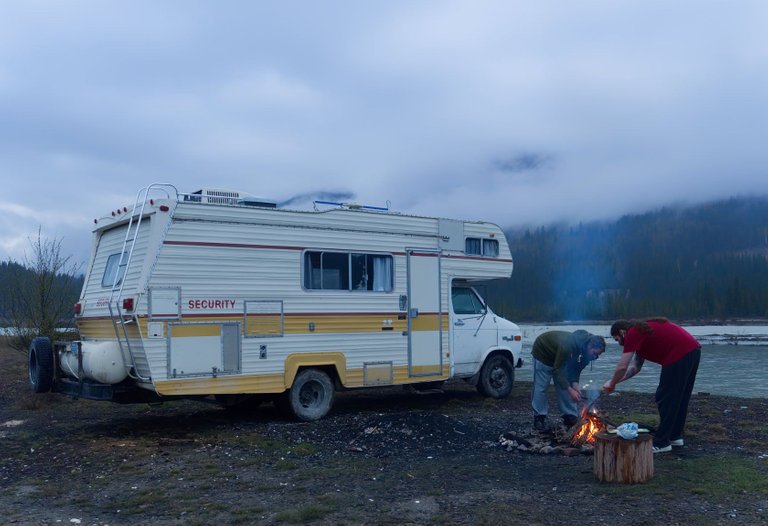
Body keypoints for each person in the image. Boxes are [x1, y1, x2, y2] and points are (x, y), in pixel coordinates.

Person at [603, 318, 701, 454]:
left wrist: (612, 383)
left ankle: (662, 443)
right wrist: (615, 382)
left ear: (622, 332)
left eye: (616, 339)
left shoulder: (633, 333)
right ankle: (674, 436)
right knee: (680, 397)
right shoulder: (642, 332)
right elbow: (635, 368)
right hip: (693, 351)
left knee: (665, 397)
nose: (619, 343)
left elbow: (622, 366)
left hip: (679, 353)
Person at [531, 330, 606, 430]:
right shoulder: (568, 345)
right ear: (590, 346)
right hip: (544, 353)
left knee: (567, 386)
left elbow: (576, 369)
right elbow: (557, 370)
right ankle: (539, 417)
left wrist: (575, 385)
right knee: (541, 387)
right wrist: (570, 390)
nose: (595, 357)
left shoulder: (587, 354)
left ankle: (569, 416)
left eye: (597, 355)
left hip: (561, 358)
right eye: (594, 353)